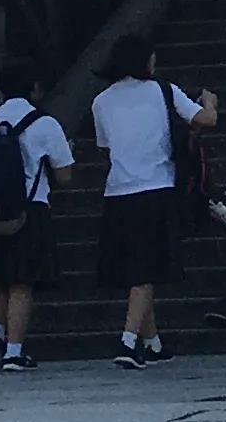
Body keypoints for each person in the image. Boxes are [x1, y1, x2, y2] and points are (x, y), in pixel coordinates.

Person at [88, 36, 216, 368]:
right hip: (156, 187)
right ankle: (128, 342)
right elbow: (205, 120)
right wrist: (211, 101)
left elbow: (105, 146)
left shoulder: (101, 101)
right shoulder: (164, 90)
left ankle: (154, 342)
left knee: (136, 269)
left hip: (118, 190)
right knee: (146, 271)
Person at [0, 83, 74, 373]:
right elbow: (64, 176)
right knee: (22, 283)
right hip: (29, 210)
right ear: (36, 88)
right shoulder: (45, 123)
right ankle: (14, 351)